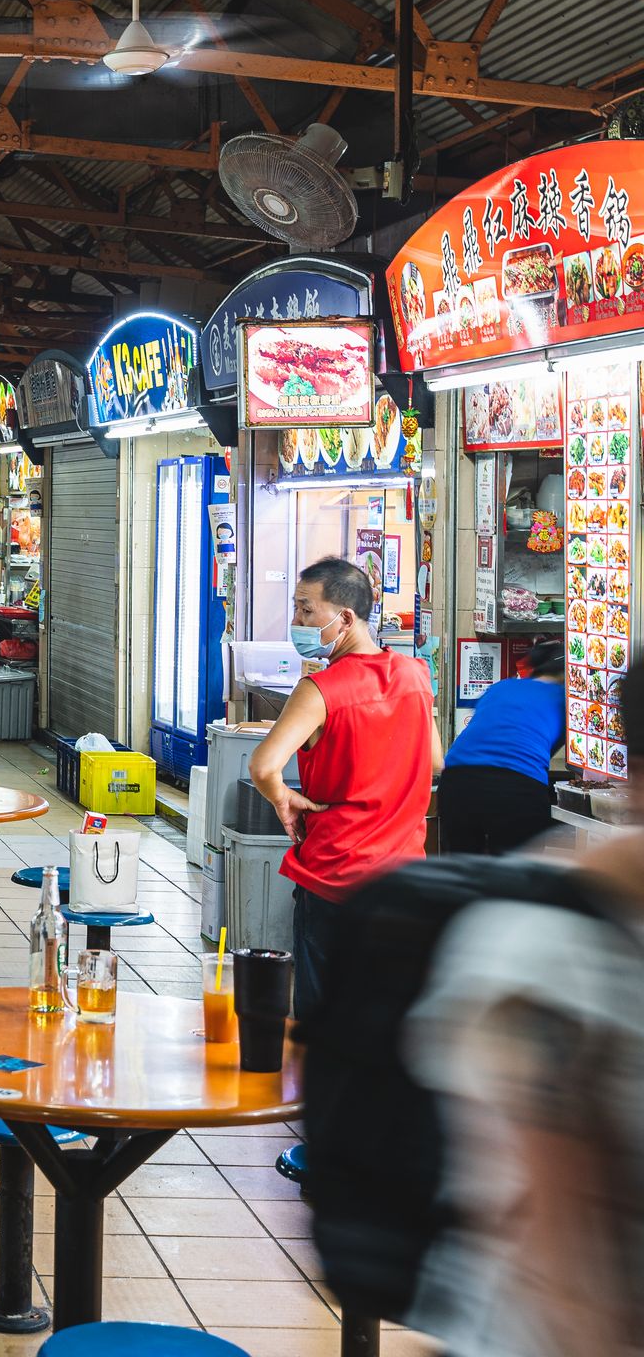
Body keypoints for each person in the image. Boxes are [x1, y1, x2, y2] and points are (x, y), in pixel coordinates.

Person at [399, 665, 644, 1357]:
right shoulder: (557, 948)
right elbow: (560, 1241)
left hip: (464, 788)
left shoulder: (509, 687)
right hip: (534, 1334)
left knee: (475, 872)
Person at [248, 557, 441, 1018]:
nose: (296, 621)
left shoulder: (320, 689)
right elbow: (435, 761)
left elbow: (263, 765)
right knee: (385, 1012)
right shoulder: (416, 675)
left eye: (306, 610)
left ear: (346, 618)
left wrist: (282, 798)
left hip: (336, 875)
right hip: (402, 880)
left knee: (322, 1014)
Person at [437, 641, 564, 855]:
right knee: (516, 877)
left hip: (457, 781)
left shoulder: (502, 687)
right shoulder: (565, 699)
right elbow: (548, 747)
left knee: (460, 870)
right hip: (517, 788)